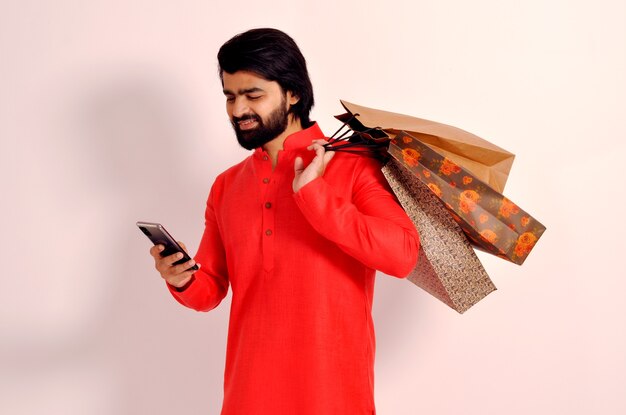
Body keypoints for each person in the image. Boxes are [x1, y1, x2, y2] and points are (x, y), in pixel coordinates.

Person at [150, 28, 420, 415]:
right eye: (230, 96)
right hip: (247, 396)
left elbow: (402, 255)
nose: (238, 110)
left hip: (334, 398)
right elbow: (210, 289)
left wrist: (315, 196)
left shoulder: (353, 166)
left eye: (253, 95)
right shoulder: (227, 185)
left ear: (292, 93)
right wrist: (182, 278)